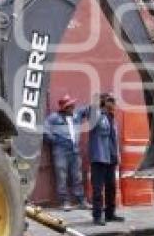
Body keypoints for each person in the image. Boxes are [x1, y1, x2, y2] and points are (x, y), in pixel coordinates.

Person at [44, 94, 90, 211]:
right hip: (61, 151)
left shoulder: (76, 115)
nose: (72, 108)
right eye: (70, 106)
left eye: (73, 105)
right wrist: (55, 141)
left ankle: (81, 200)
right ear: (64, 108)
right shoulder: (54, 117)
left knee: (77, 176)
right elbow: (45, 129)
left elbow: (88, 109)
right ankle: (64, 201)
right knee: (62, 175)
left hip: (74, 150)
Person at [88, 95, 124, 226]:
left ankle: (110, 214)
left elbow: (114, 138)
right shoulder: (97, 116)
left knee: (111, 187)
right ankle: (97, 216)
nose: (114, 104)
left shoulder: (111, 117)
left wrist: (117, 154)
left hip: (111, 158)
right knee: (98, 189)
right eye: (111, 102)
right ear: (105, 103)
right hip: (99, 158)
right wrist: (96, 103)